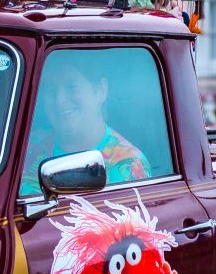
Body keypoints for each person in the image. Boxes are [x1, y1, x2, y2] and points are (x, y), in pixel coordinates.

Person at [20, 64, 150, 196]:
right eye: (51, 90)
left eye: (72, 87)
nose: (59, 100)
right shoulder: (27, 147)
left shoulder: (127, 165)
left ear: (100, 91)